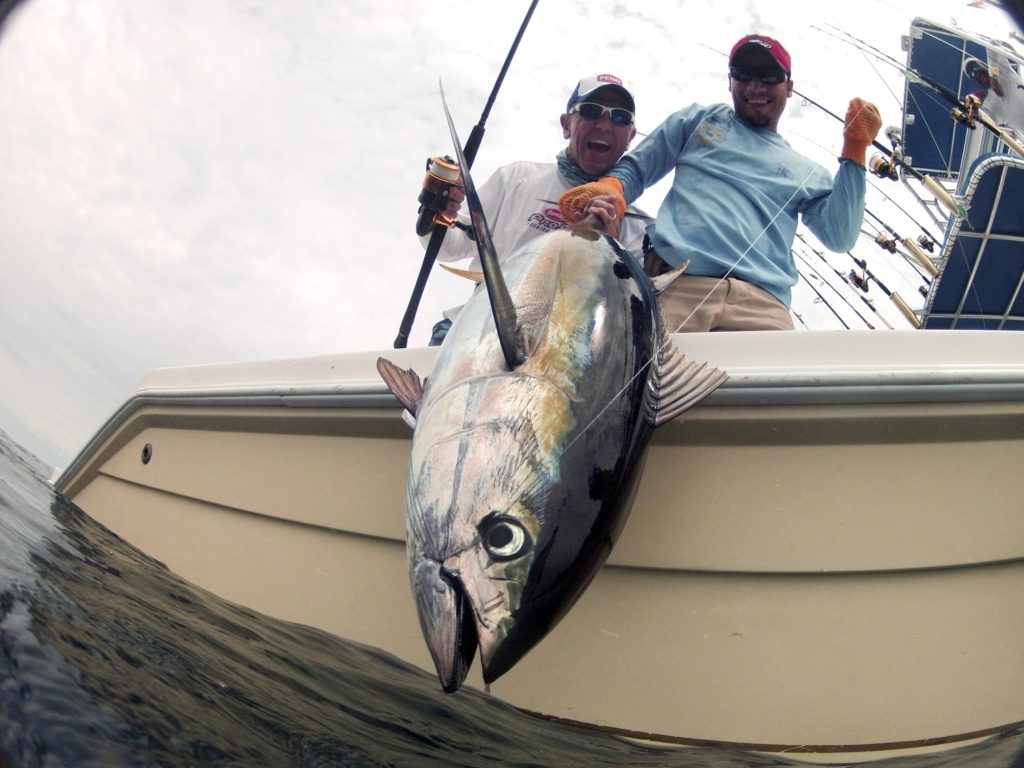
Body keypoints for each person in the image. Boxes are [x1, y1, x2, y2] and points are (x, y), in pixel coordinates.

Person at [559, 35, 882, 332]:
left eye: (769, 76)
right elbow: (637, 169)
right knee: (653, 391)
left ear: (789, 86)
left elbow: (840, 236)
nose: (755, 86)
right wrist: (611, 189)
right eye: (743, 74)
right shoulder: (698, 120)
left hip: (764, 306)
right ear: (730, 81)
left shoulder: (809, 171)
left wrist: (855, 149)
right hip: (677, 285)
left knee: (769, 397)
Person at [419, 74, 650, 345]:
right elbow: (448, 248)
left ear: (631, 136)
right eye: (590, 111)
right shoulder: (516, 178)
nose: (604, 124)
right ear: (566, 125)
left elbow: (627, 316)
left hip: (565, 351)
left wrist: (610, 249)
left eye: (620, 117)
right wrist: (437, 213)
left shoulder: (639, 227)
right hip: (471, 334)